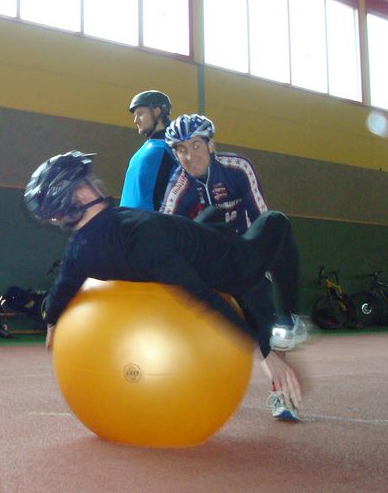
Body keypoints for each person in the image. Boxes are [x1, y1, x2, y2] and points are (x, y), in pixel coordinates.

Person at [24, 150, 303, 418]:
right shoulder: (139, 234)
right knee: (275, 220)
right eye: (88, 181)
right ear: (82, 195)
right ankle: (289, 319)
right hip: (236, 266)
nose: (95, 182)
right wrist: (264, 352)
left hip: (199, 242)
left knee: (213, 214)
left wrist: (52, 321)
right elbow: (201, 295)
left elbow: (62, 288)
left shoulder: (78, 253)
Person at [160, 114, 306, 350]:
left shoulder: (238, 168)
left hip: (246, 255)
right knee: (206, 218)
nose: (189, 156)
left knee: (275, 221)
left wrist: (265, 271)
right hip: (213, 265)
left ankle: (287, 320)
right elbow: (162, 234)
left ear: (211, 144)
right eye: (181, 149)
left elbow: (262, 220)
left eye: (196, 145)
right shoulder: (178, 186)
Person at [119, 90, 177, 211]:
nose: (135, 120)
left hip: (150, 221)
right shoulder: (149, 147)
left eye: (140, 114)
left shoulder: (171, 149)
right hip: (129, 220)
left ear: (157, 111)